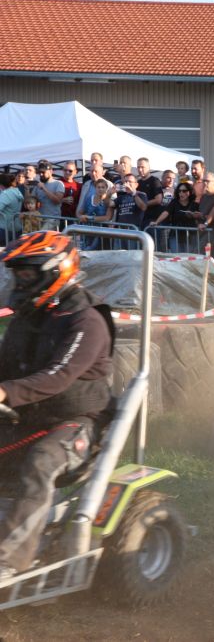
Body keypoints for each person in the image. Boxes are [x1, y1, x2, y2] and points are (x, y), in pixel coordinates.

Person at [0, 232, 115, 580]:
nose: (20, 282)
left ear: (55, 272)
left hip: (76, 423)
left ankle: (9, 561)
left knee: (41, 461)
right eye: (16, 275)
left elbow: (58, 376)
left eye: (27, 275)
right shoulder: (29, 315)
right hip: (27, 418)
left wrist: (4, 393)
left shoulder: (86, 320)